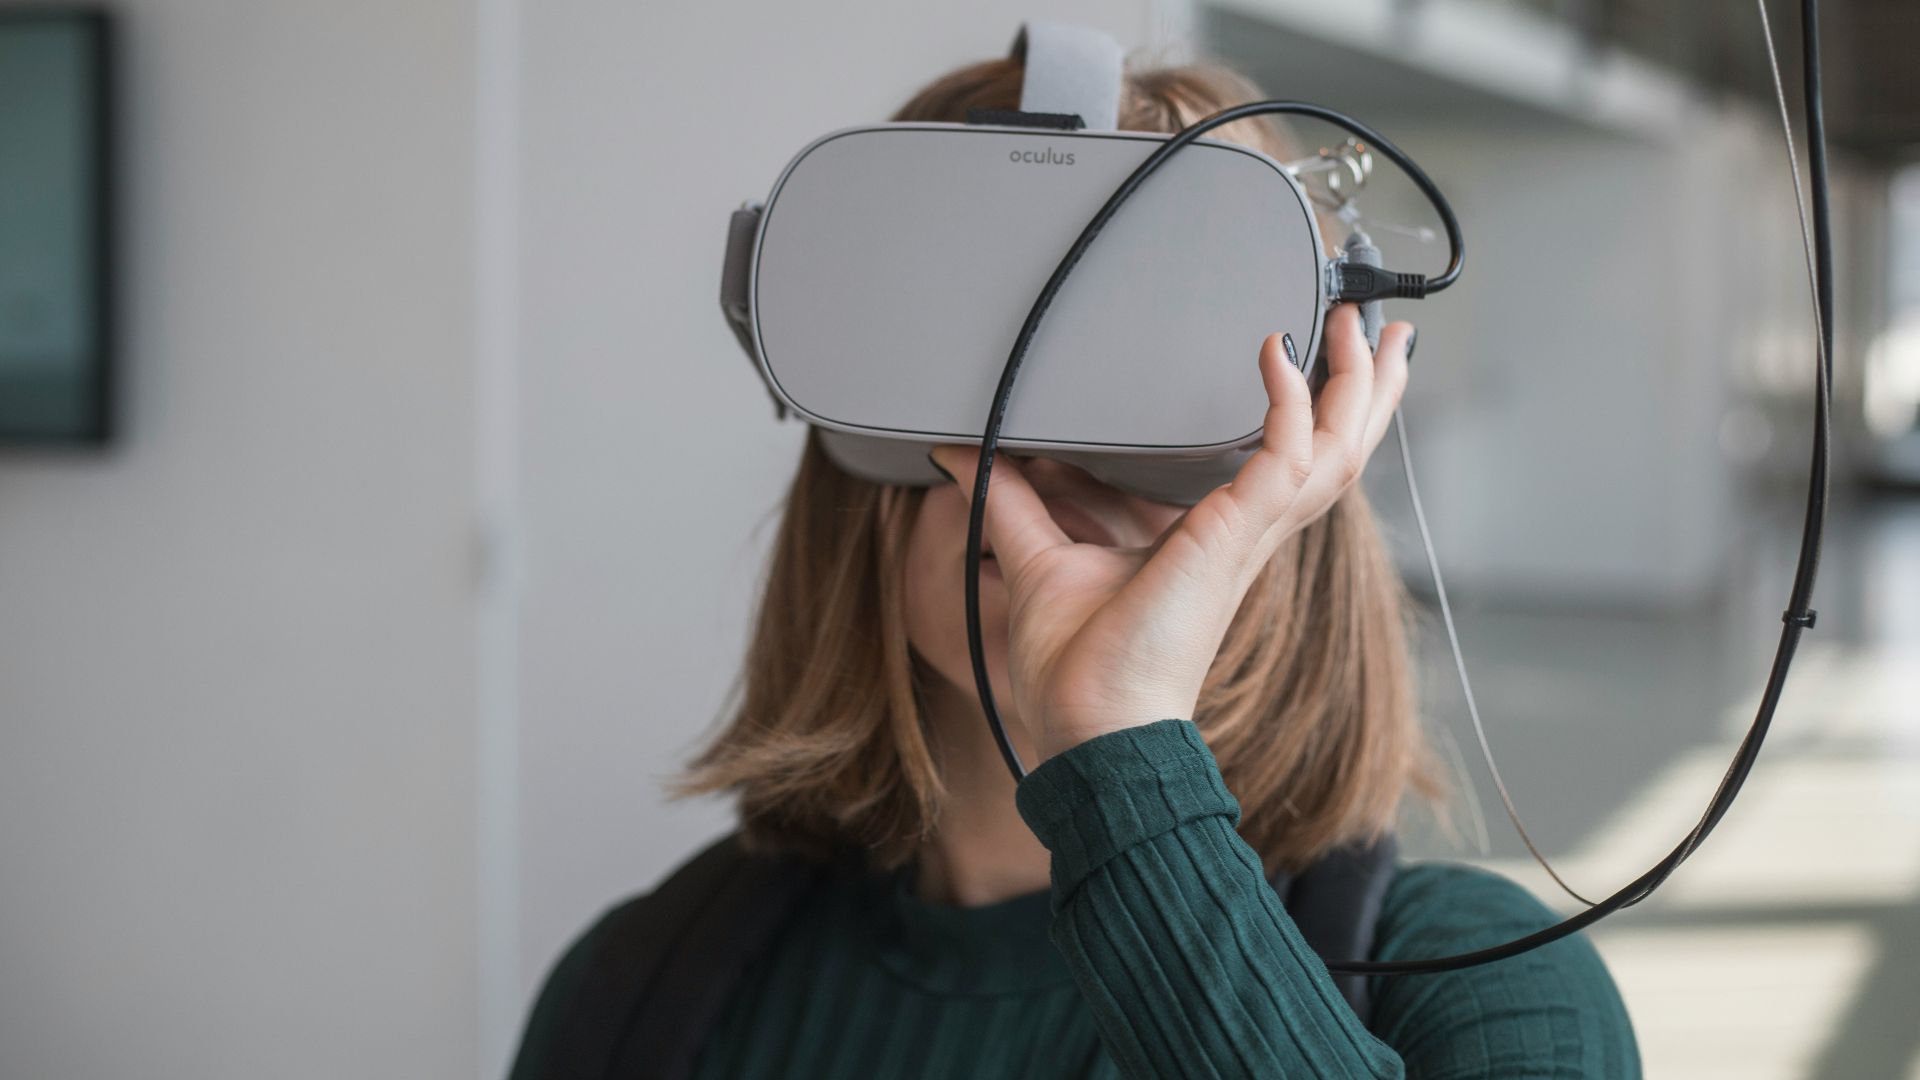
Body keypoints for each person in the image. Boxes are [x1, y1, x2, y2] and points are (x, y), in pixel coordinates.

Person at [509, 50, 1641, 1080]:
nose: (1044, 461)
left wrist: (1118, 741)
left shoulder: (1488, 993)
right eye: (978, 351)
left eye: (1149, 376)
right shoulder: (637, 997)